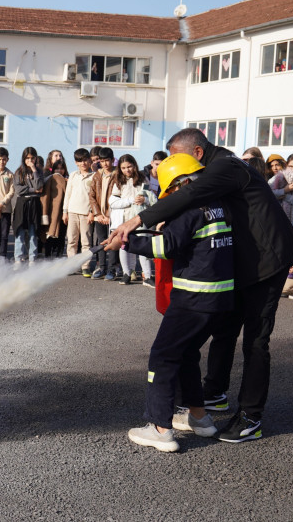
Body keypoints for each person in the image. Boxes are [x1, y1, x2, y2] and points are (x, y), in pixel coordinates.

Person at [107, 127, 293, 443]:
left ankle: (250, 417)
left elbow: (190, 196)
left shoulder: (225, 166)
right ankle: (208, 402)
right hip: (238, 267)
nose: (175, 171)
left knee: (255, 341)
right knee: (221, 332)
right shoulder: (210, 172)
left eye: (176, 160)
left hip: (267, 262)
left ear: (196, 154)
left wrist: (134, 222)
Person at [109, 153, 234, 452]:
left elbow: (165, 246)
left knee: (162, 358)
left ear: (183, 183)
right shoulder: (219, 206)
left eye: (172, 191)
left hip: (193, 299)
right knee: (187, 353)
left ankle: (160, 428)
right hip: (220, 299)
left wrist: (125, 242)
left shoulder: (189, 210)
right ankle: (200, 418)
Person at [109, 154, 156, 285]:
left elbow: (149, 197)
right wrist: (129, 201)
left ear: (134, 165)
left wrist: (144, 200)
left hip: (140, 218)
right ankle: (126, 273)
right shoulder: (118, 180)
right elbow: (113, 201)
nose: (127, 170)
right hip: (124, 218)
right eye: (123, 168)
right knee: (124, 246)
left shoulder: (143, 179)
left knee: (142, 246)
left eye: (129, 166)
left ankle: (147, 276)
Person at [63, 148, 95, 276]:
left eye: (85, 160)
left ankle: (85, 266)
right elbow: (68, 194)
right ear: (76, 162)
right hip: (72, 212)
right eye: (80, 161)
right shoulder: (73, 175)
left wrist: (92, 212)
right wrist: (65, 211)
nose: (83, 163)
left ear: (90, 160)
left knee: (86, 241)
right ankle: (72, 265)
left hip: (86, 213)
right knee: (71, 240)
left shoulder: (94, 176)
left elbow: (95, 197)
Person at [88, 147, 119, 279]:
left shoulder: (118, 174)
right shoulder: (97, 175)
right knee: (101, 241)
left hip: (113, 216)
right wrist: (98, 214)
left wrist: (108, 215)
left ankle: (112, 269)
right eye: (102, 161)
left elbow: (118, 197)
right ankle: (101, 268)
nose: (105, 164)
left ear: (112, 160)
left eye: (107, 160)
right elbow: (92, 196)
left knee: (112, 241)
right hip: (99, 216)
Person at [11, 146, 44, 266]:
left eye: (32, 158)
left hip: (34, 203)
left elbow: (39, 186)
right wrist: (33, 189)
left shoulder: (39, 171)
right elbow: (18, 190)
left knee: (33, 232)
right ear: (23, 159)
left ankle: (32, 259)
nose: (30, 160)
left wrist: (34, 169)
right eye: (27, 158)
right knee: (19, 231)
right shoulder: (19, 172)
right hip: (22, 203)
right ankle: (18, 258)